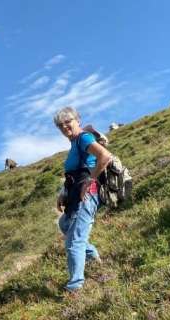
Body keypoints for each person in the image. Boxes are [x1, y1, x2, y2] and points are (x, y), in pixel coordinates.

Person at [54, 106, 112, 292]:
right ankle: (92, 256)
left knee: (73, 243)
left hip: (86, 195)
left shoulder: (83, 138)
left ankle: (75, 287)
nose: (64, 127)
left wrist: (90, 181)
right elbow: (74, 173)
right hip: (74, 195)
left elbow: (105, 156)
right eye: (60, 125)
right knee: (64, 224)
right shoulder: (74, 143)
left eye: (68, 122)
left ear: (77, 120)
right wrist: (63, 193)